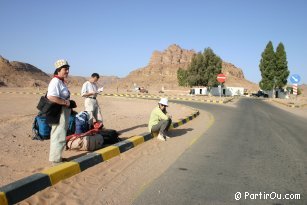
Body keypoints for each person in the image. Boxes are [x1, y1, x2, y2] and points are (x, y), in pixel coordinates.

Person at [47, 59, 72, 165]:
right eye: (65, 69)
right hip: (59, 111)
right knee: (58, 135)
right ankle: (55, 160)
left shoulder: (60, 81)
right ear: (58, 70)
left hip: (63, 111)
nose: (67, 71)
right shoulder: (55, 81)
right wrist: (65, 103)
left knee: (60, 134)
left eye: (68, 69)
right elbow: (51, 96)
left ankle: (58, 157)